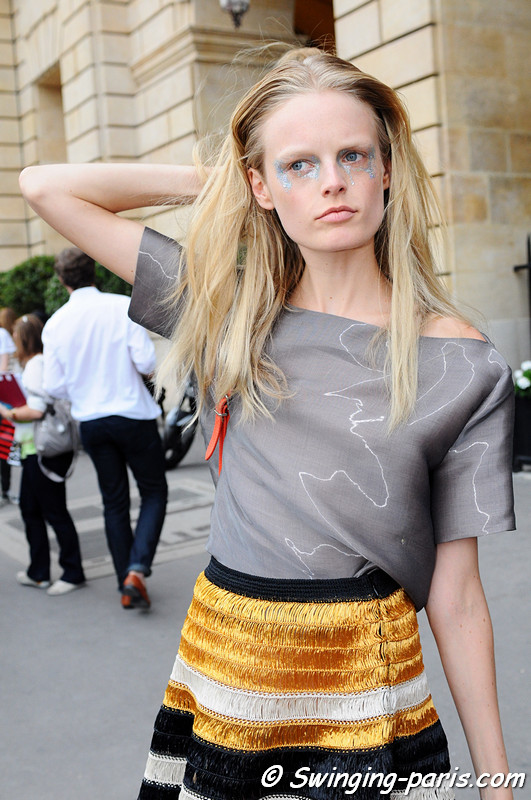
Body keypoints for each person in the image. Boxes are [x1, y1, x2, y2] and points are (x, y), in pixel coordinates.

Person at [19, 47, 516, 800]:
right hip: (231, 669)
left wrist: (496, 781)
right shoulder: (230, 312)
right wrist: (223, 176)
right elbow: (47, 187)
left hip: (367, 687)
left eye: (352, 154)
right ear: (260, 184)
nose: (332, 181)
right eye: (298, 165)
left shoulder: (462, 362)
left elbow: (458, 596)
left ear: (386, 167)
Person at [40, 248, 168, 610]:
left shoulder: (56, 324)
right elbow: (145, 362)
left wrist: (83, 388)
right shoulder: (119, 306)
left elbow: (54, 386)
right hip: (132, 413)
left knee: (114, 502)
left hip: (91, 420)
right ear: (93, 271)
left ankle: (124, 581)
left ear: (63, 281)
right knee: (154, 492)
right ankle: (137, 569)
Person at [0, 314, 85, 595]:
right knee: (31, 509)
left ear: (24, 339)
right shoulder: (39, 363)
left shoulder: (36, 365)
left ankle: (72, 572)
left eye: (14, 338)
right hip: (35, 449)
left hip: (41, 450)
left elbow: (35, 410)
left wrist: (6, 411)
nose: (12, 344)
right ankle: (39, 572)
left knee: (53, 511)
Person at [0, 307, 18, 505]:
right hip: (2, 398)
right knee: (3, 443)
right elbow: (3, 369)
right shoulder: (2, 334)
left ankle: (5, 490)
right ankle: (5, 490)